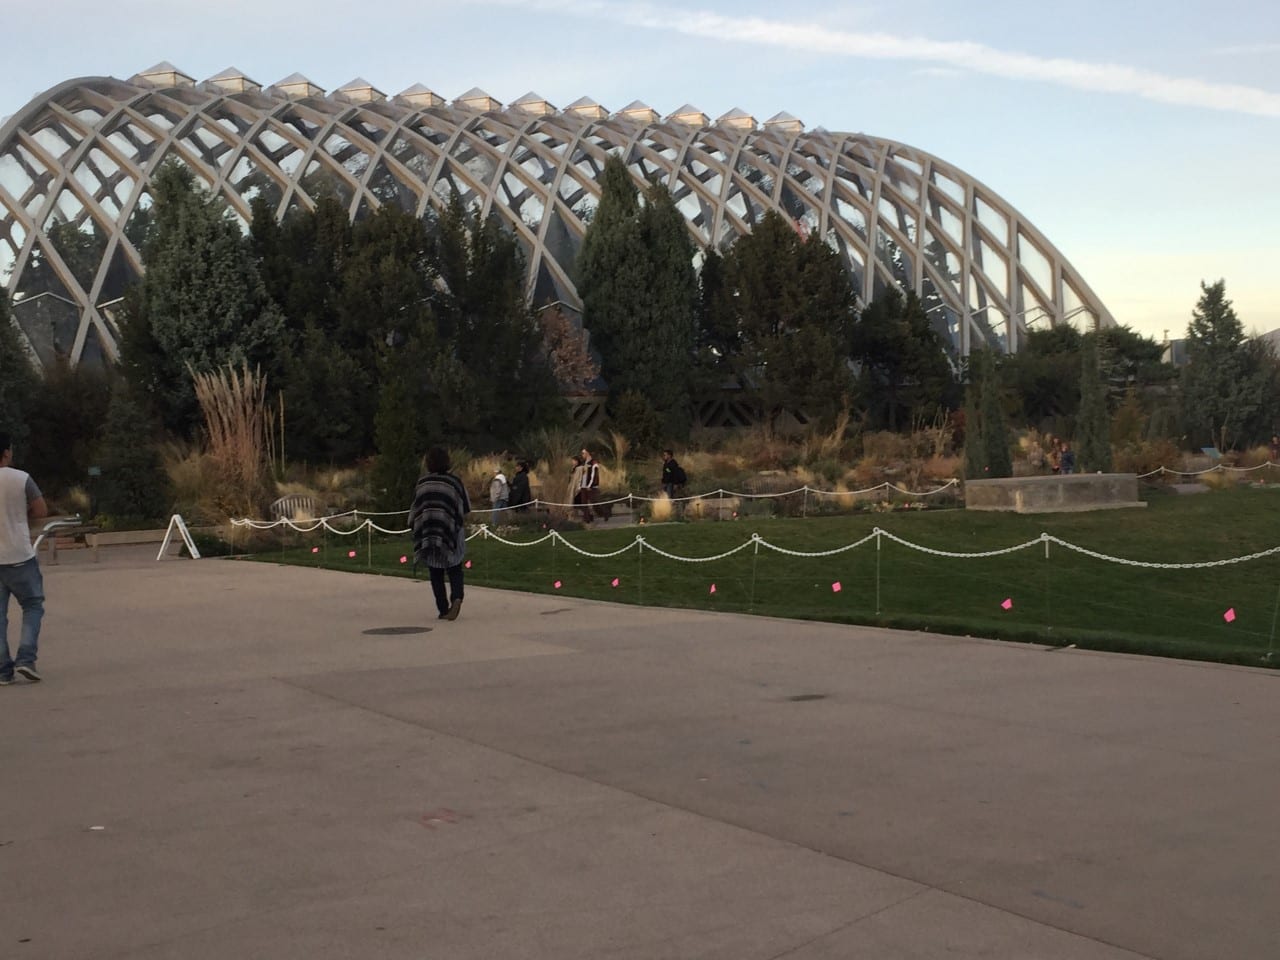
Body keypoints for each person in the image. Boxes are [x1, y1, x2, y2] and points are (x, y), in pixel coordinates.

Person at [0, 430, 48, 684]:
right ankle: (26, 659)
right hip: (19, 554)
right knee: (32, 606)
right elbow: (41, 510)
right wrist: (20, 512)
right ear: (7, 452)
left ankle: (2, 670)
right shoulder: (21, 478)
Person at [409, 446, 471, 621]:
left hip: (430, 532)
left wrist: (415, 525)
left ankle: (443, 609)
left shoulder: (423, 483)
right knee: (455, 568)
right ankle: (457, 597)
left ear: (428, 463)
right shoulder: (455, 482)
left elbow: (416, 509)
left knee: (435, 572)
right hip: (451, 532)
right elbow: (465, 508)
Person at [579, 447, 600, 523]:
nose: (582, 455)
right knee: (583, 504)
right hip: (583, 487)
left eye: (583, 453)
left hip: (591, 487)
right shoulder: (584, 463)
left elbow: (594, 475)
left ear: (587, 453)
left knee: (595, 503)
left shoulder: (594, 463)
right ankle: (587, 519)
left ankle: (605, 514)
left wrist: (590, 486)